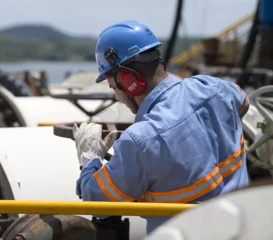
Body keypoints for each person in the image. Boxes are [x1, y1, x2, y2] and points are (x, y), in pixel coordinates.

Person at [72, 20, 250, 234]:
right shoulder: (215, 87)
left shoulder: (140, 141)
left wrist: (89, 160)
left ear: (129, 81)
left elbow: (97, 202)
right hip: (244, 229)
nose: (117, 96)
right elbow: (243, 104)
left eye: (113, 87)